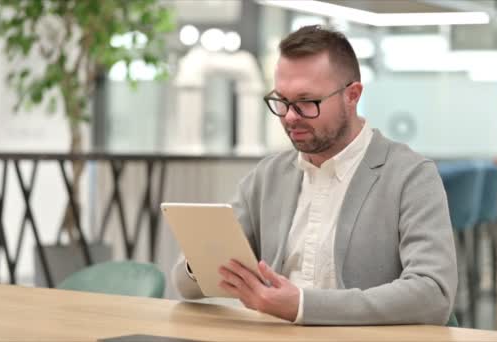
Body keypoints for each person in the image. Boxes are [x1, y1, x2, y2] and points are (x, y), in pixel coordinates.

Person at [172, 25, 457, 326]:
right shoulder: (269, 175)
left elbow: (433, 293)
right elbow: (184, 281)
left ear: (353, 95)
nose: (290, 116)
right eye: (281, 101)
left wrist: (303, 306)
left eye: (307, 102)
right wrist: (205, 259)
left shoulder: (410, 176)